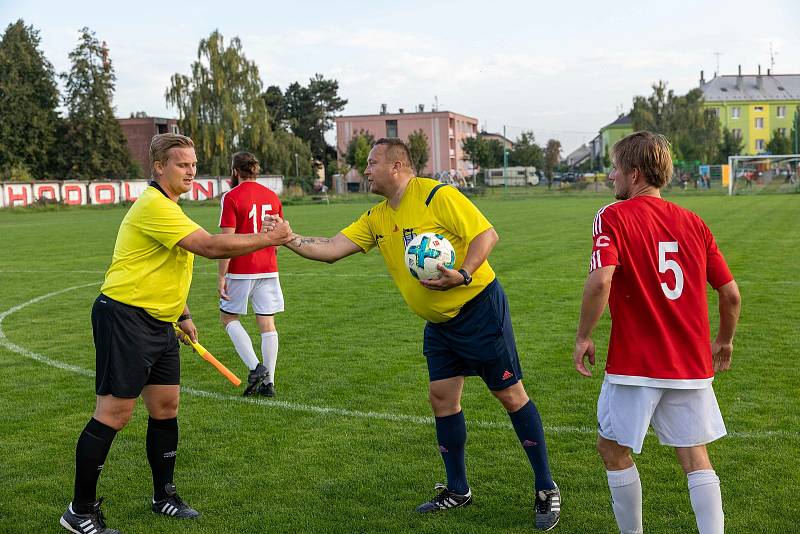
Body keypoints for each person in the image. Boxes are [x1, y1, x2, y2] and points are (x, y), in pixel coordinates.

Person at [279, 137, 561, 531]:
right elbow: (331, 248)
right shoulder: (377, 217)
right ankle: (458, 490)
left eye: (372, 162)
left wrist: (462, 274)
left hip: (478, 310)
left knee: (510, 395)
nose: (366, 170)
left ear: (396, 166)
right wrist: (289, 239)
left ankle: (546, 488)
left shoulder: (435, 196)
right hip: (440, 325)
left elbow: (487, 235)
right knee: (442, 399)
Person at [60, 134, 292, 534]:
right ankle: (79, 511)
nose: (191, 170)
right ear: (159, 167)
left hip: (161, 321)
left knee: (166, 408)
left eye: (194, 163)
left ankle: (163, 495)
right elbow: (208, 246)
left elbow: (169, 264)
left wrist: (182, 313)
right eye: (182, 164)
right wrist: (270, 238)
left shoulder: (171, 205)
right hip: (125, 318)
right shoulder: (153, 205)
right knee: (114, 415)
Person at [572, 131, 741, 534]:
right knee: (695, 456)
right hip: (690, 364)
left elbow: (600, 282)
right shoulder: (695, 222)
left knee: (612, 450)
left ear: (633, 173)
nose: (611, 177)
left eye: (615, 168)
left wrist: (583, 337)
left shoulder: (612, 216)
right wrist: (725, 340)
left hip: (635, 363)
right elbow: (731, 295)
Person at [218, 152, 285, 397]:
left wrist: (221, 276)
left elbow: (226, 242)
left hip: (241, 268)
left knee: (228, 318)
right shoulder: (272, 196)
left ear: (235, 171)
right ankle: (270, 384)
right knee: (267, 324)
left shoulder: (231, 197)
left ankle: (256, 368)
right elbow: (278, 240)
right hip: (269, 267)